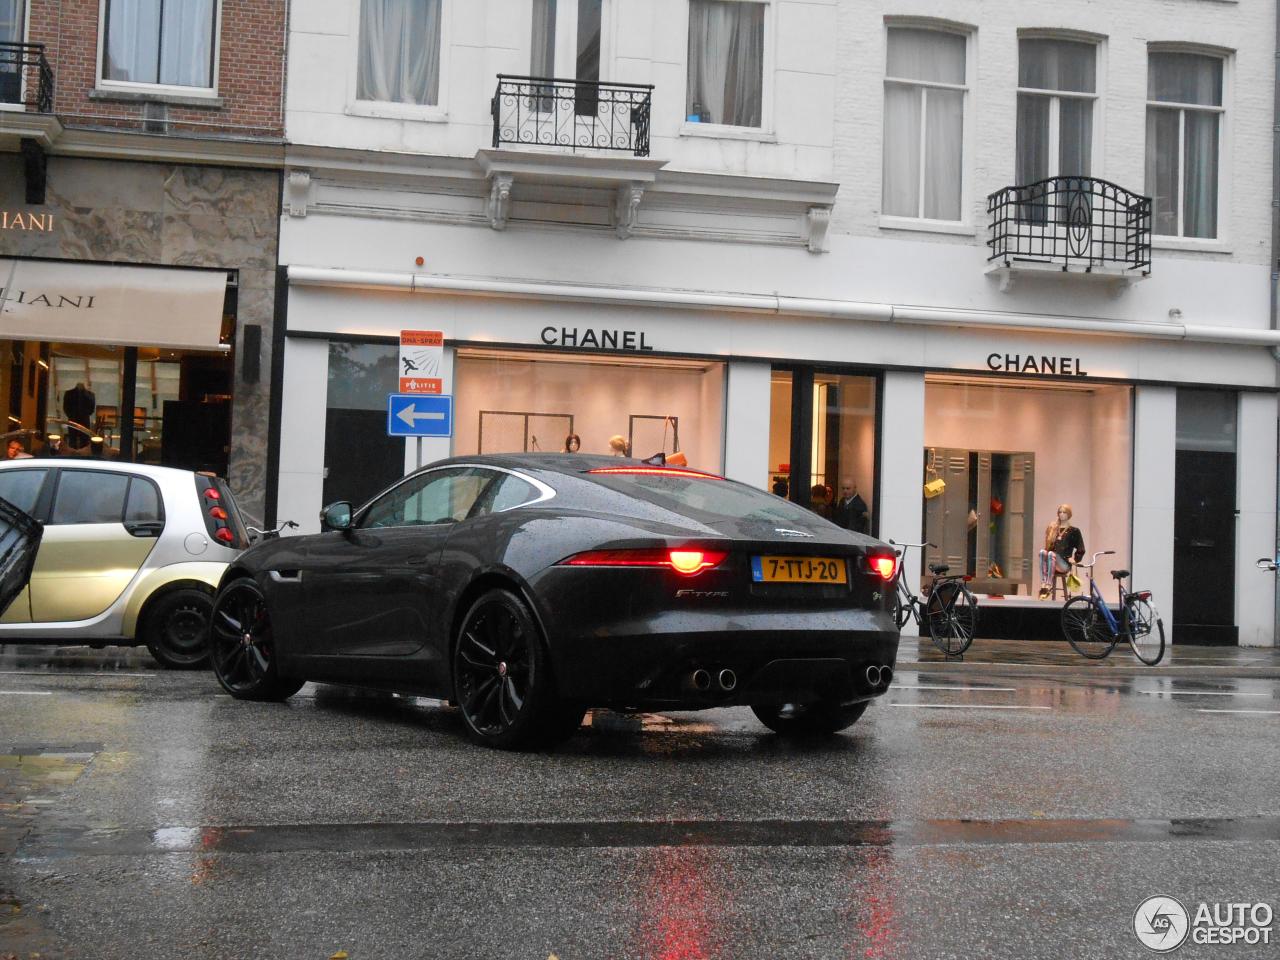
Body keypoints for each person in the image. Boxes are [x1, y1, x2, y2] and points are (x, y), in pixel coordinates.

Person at [1038, 503, 1084, 599]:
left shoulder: (1074, 531)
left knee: (1051, 554)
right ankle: (1043, 584)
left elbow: (1081, 548)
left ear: (1069, 514)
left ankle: (1048, 585)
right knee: (1042, 552)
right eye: (1060, 512)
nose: (1062, 514)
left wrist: (1075, 559)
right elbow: (1048, 547)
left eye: (1064, 512)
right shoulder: (1054, 528)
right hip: (1051, 562)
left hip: (1064, 563)